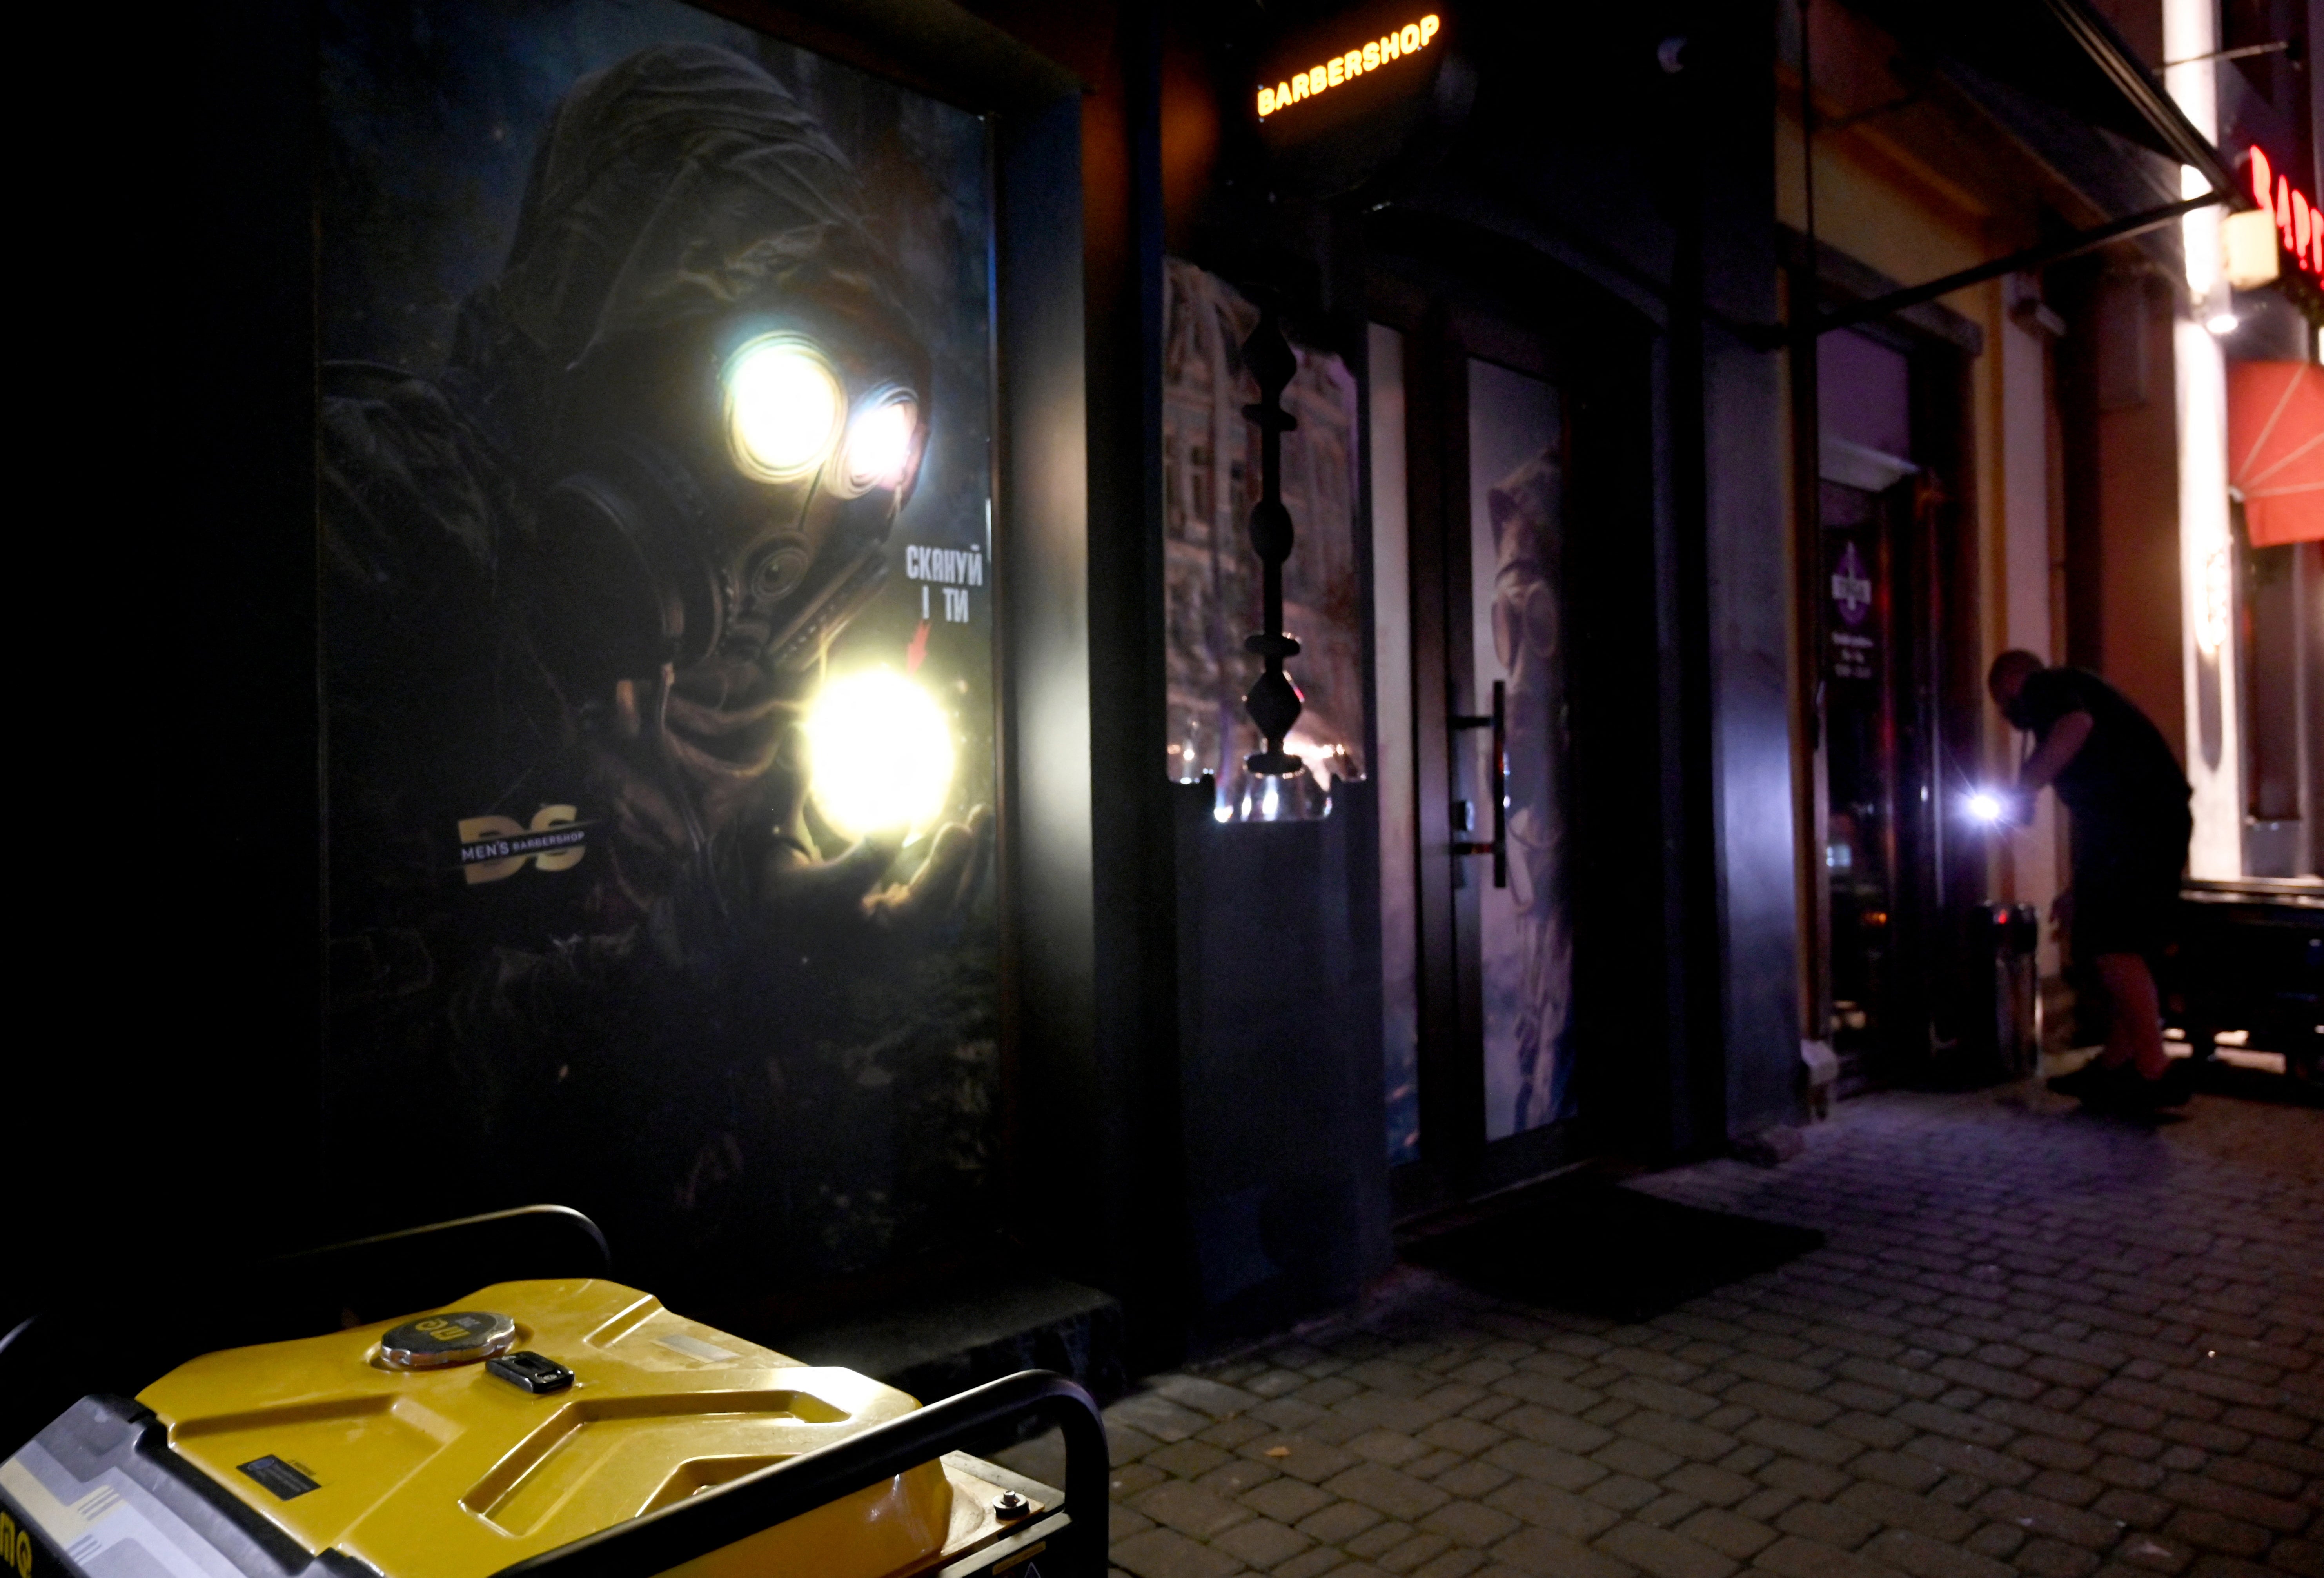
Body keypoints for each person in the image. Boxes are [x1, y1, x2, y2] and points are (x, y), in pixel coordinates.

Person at [1986, 651, 2194, 1108]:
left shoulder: (2045, 686)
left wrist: (2026, 784)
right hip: (2149, 822)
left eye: (2001, 697)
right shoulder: (2082, 696)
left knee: (2113, 942)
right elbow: (2093, 813)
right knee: (2124, 942)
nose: (2006, 710)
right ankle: (2118, 1063)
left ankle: (2153, 1070)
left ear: (2012, 680)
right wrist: (2077, 889)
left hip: (2138, 822)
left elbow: (2074, 726)